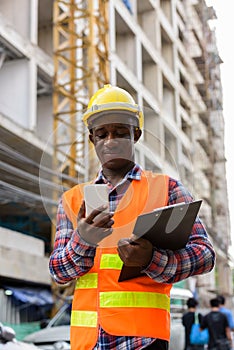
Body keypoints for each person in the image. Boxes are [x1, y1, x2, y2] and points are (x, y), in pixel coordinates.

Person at [49, 84, 216, 350]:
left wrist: (152, 259)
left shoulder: (166, 189)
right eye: (102, 134)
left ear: (135, 134)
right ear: (92, 139)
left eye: (120, 132)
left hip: (142, 340)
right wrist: (83, 241)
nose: (110, 140)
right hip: (88, 342)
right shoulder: (72, 200)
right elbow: (59, 273)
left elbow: (205, 256)